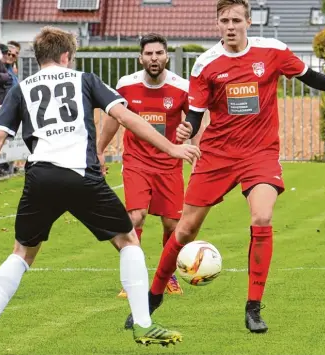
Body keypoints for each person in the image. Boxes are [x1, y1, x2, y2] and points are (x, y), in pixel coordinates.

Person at [124, 0, 325, 333]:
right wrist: (187, 130)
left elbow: (307, 75)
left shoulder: (273, 51)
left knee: (262, 216)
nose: (230, 25)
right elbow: (195, 116)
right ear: (217, 24)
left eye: (236, 19)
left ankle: (253, 308)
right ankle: (153, 297)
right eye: (224, 20)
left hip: (260, 154)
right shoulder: (205, 64)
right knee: (184, 230)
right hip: (217, 155)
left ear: (248, 22)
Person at [0, 26, 201, 354]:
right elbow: (128, 118)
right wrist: (171, 148)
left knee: (21, 253)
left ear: (40, 57)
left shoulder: (22, 88)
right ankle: (142, 323)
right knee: (128, 240)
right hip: (81, 176)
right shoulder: (84, 80)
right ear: (67, 56)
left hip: (40, 178)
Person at [97, 33, 204, 298]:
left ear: (166, 56)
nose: (154, 58)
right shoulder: (126, 85)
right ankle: (132, 278)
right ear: (140, 57)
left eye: (159, 53)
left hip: (169, 164)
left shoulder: (181, 87)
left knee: (172, 224)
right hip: (136, 162)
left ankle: (166, 276)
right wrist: (98, 150)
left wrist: (196, 148)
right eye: (149, 54)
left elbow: (194, 121)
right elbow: (113, 120)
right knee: (135, 217)